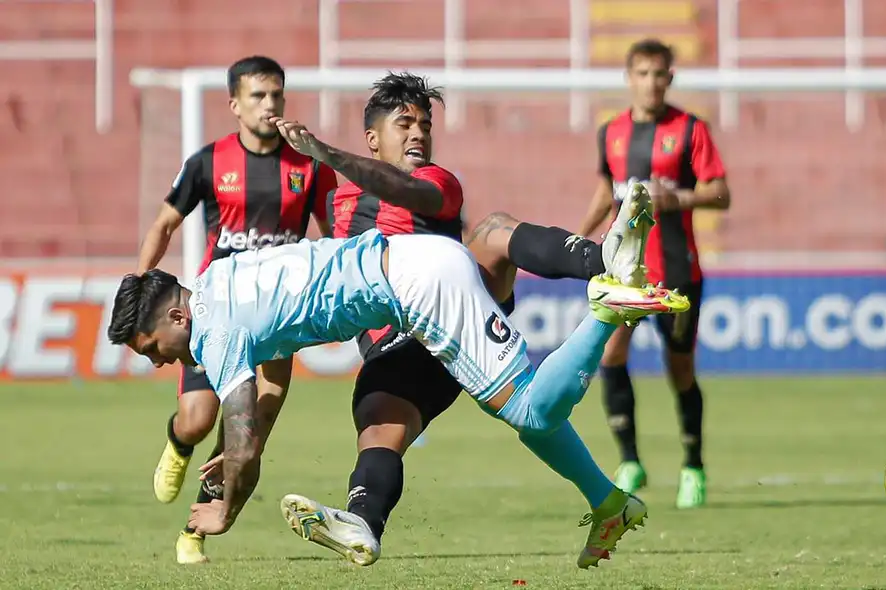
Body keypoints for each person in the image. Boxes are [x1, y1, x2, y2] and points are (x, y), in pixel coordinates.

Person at [190, 73, 645, 568]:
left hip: (453, 305)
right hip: (398, 345)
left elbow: (411, 195)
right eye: (404, 124)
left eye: (425, 125)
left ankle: (604, 264)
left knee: (493, 232)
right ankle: (364, 522)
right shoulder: (335, 206)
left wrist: (329, 155)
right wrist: (246, 448)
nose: (419, 135)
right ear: (373, 139)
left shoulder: (435, 181)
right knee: (384, 423)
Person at [106, 224, 690, 568]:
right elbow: (270, 383)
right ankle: (610, 504)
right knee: (517, 413)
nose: (157, 360)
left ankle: (605, 310)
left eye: (151, 346)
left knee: (531, 408)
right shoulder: (221, 280)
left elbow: (244, 439)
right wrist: (239, 456)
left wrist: (226, 506)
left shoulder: (214, 329)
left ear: (177, 314)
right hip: (416, 267)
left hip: (420, 288)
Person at [136, 55, 336, 563]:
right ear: (234, 105)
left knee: (249, 430)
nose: (270, 105)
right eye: (258, 96)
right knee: (199, 419)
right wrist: (139, 286)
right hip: (215, 314)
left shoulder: (308, 165)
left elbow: (338, 235)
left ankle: (192, 533)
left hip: (277, 319)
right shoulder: (208, 162)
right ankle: (180, 444)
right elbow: (163, 225)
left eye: (277, 96)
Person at [577, 39, 731, 508]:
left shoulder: (689, 130)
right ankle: (630, 460)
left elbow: (720, 192)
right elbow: (607, 191)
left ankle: (693, 467)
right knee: (610, 358)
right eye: (642, 73)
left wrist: (679, 198)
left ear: (670, 78)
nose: (651, 83)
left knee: (680, 370)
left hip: (677, 271)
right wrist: (580, 238)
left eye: (659, 74)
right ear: (629, 77)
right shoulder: (611, 133)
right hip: (625, 275)